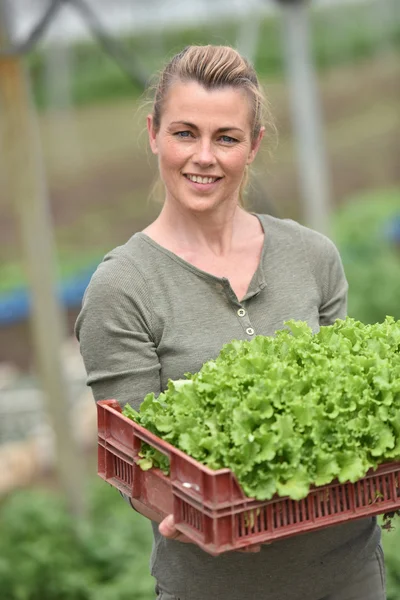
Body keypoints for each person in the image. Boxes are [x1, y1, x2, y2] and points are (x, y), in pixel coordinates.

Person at [75, 45, 385, 600]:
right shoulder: (123, 288)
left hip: (348, 576)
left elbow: (356, 406)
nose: (204, 157)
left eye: (226, 138)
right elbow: (137, 464)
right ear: (153, 134)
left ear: (254, 145)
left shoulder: (312, 256)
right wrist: (177, 508)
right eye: (184, 133)